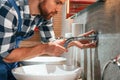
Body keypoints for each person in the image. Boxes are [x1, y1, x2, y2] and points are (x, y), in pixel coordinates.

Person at [0, 0, 96, 80]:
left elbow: (50, 43)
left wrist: (72, 41)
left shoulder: (44, 15)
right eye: (57, 2)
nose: (58, 9)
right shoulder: (8, 10)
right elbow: (7, 55)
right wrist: (44, 48)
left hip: (12, 64)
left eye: (61, 4)